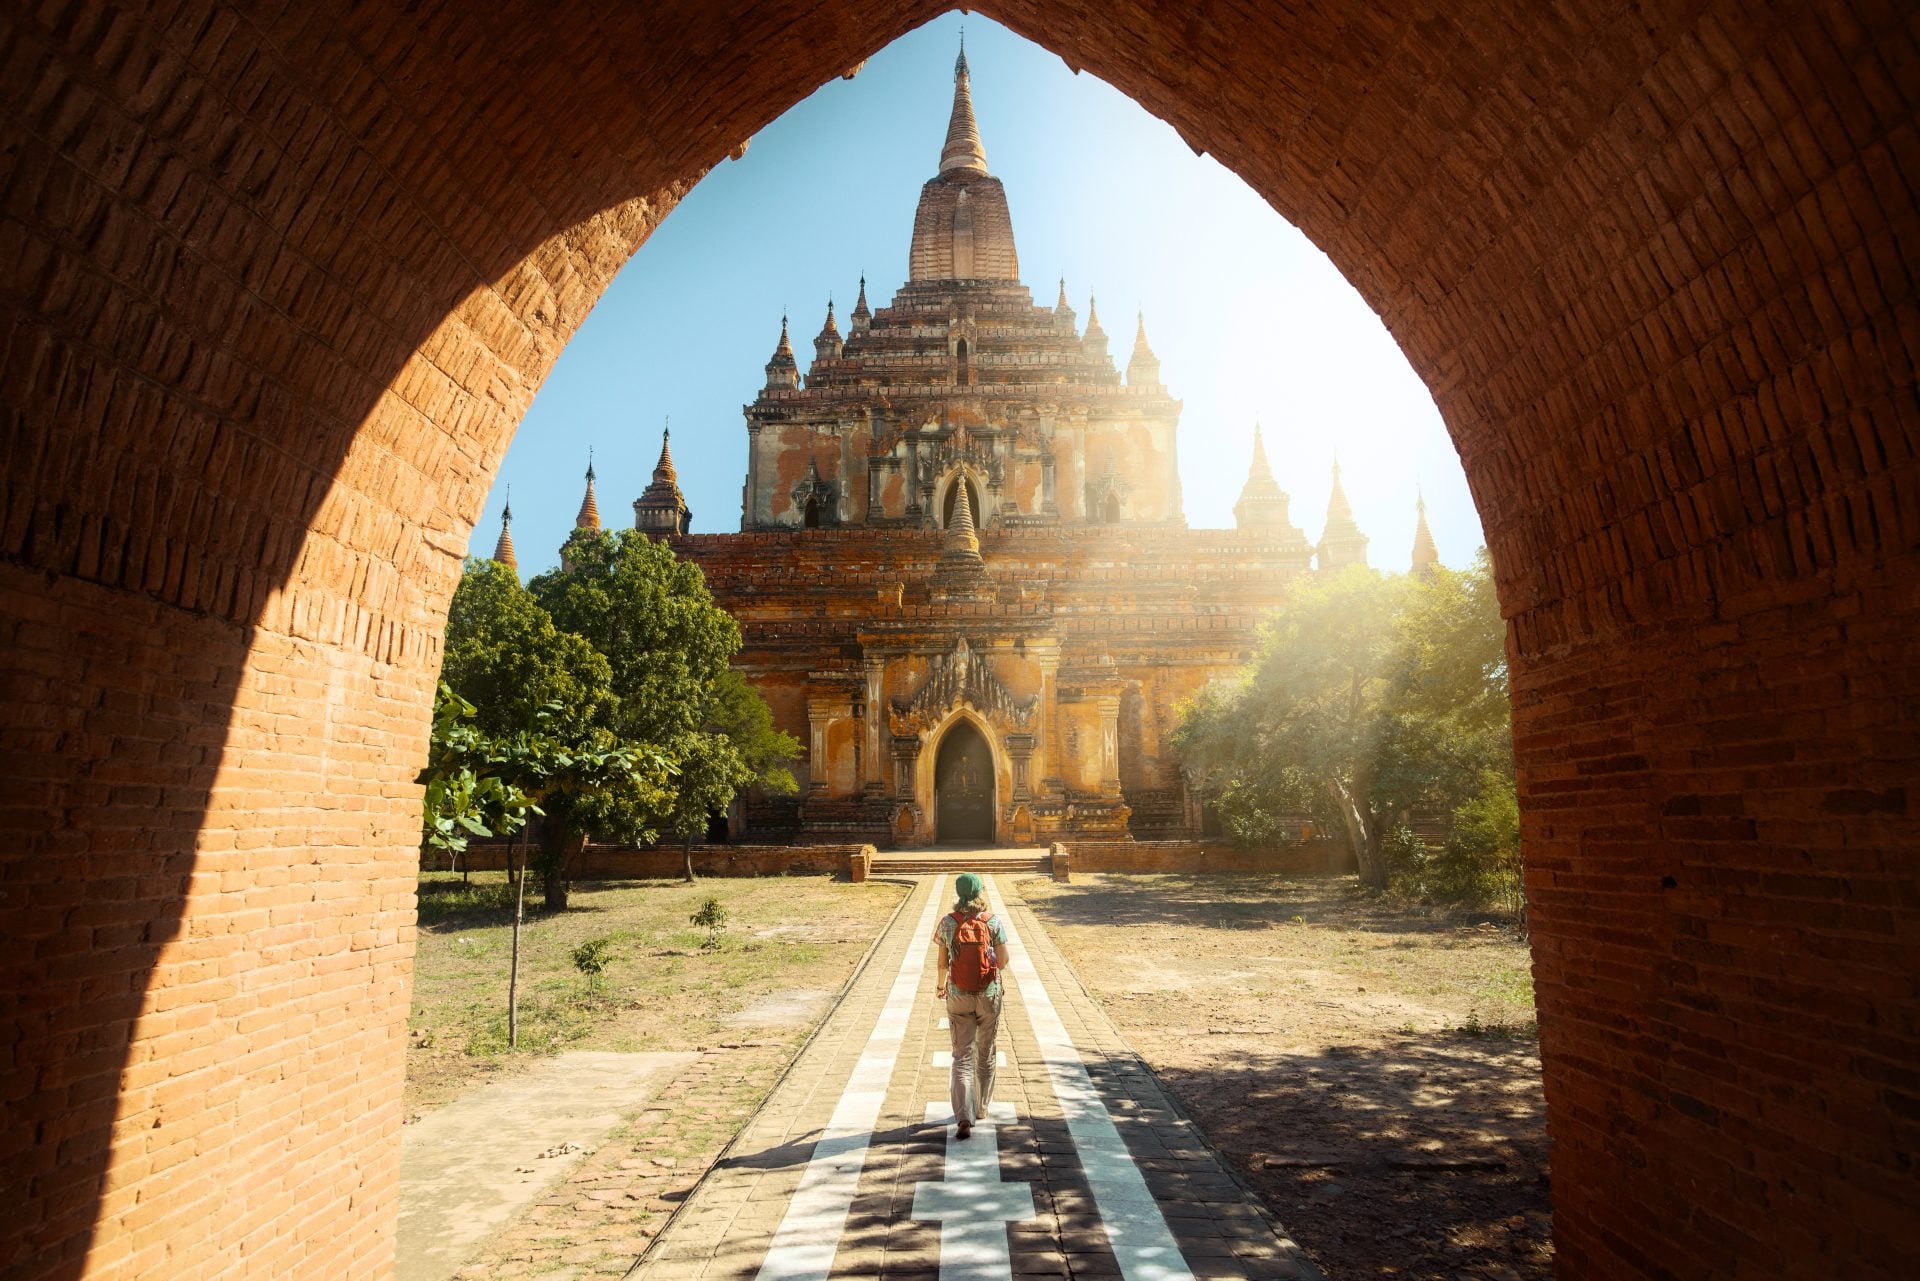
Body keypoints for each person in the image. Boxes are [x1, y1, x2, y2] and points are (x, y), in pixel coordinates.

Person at [934, 871, 1011, 1139]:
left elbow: (942, 963)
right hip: (989, 994)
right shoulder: (993, 921)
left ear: (959, 893)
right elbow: (1003, 961)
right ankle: (981, 1108)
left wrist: (941, 986)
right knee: (985, 1052)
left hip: (958, 994)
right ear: (980, 892)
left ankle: (963, 1116)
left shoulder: (948, 922)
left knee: (961, 1055)